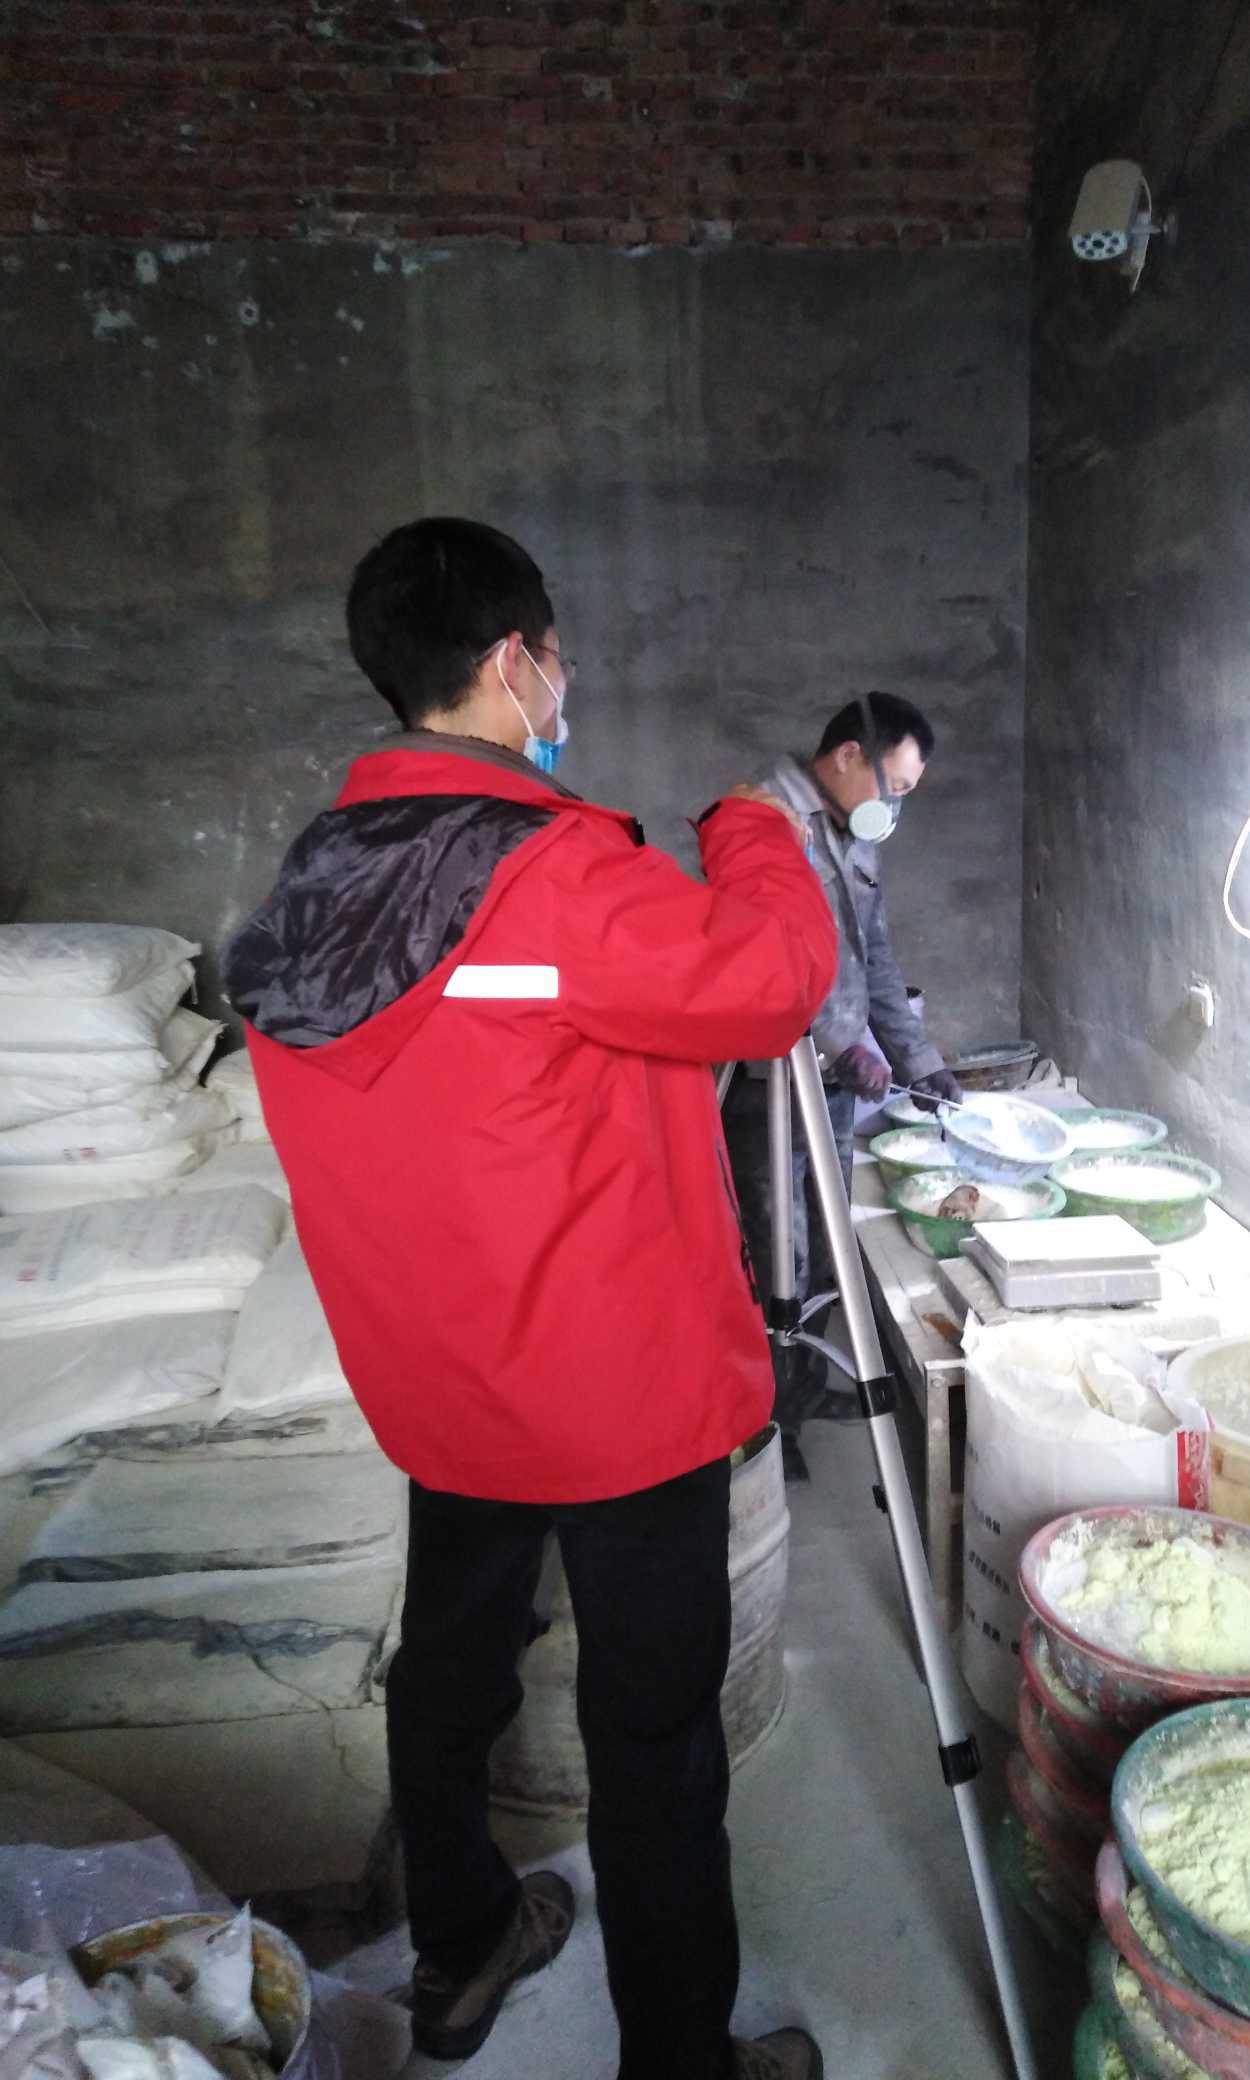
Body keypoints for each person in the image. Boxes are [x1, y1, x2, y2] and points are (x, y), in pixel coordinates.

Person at [221, 517, 837, 2080]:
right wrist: (755, 825)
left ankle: (462, 1947)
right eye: (554, 660)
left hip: (445, 1389)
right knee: (654, 1740)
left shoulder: (312, 886)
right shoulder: (557, 877)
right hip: (620, 1402)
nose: (562, 686)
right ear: (512, 663)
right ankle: (678, 2063)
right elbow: (771, 982)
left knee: (448, 1678)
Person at [724, 694, 962, 1480]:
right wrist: (842, 1042)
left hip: (833, 1081)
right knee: (775, 1247)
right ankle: (769, 1419)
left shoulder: (855, 837)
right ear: (849, 755)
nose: (894, 807)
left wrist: (917, 1059)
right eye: (894, 786)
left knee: (827, 1241)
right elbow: (769, 958)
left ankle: (806, 1387)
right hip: (768, 1078)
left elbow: (874, 957)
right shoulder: (764, 823)